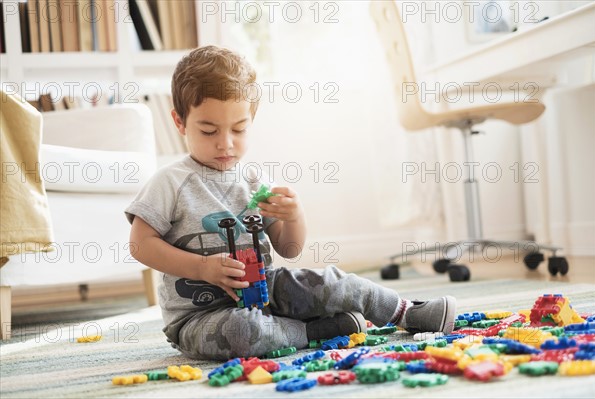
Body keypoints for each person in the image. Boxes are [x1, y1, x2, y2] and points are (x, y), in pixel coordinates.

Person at [126, 45, 456, 360]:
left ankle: (405, 312)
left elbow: (290, 249)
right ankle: (314, 331)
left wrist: (295, 215)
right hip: (200, 316)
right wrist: (202, 268)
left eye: (239, 129)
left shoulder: (254, 181)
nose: (225, 144)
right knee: (244, 332)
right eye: (209, 131)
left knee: (332, 281)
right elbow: (141, 246)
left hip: (266, 291)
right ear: (180, 121)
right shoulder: (168, 182)